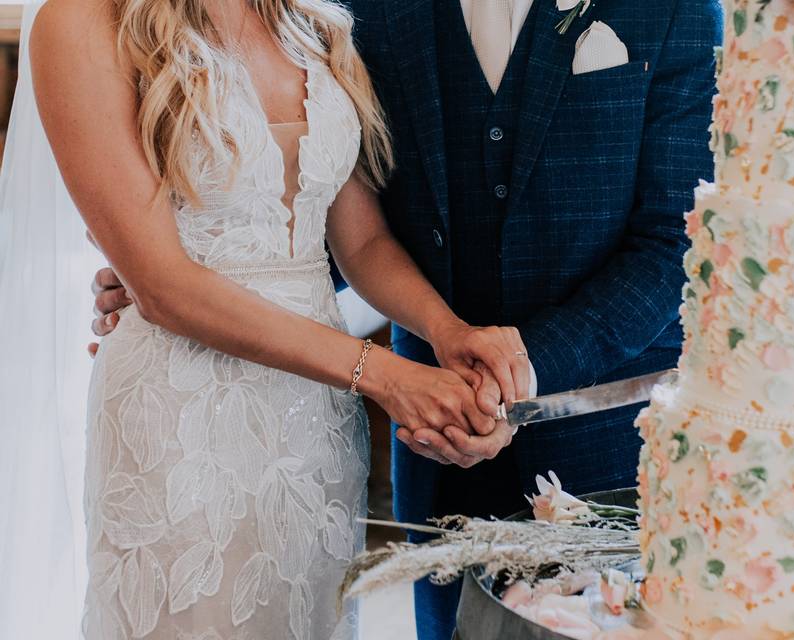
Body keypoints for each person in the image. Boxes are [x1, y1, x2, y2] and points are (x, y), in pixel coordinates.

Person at [94, 0, 722, 637]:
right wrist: (186, 273)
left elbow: (679, 242)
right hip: (427, 446)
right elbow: (330, 206)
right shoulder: (352, 9)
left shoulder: (675, 8)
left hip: (605, 442)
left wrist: (522, 365)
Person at [31, 0, 524, 638]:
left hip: (315, 423)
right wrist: (385, 375)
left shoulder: (315, 27)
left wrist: (446, 330)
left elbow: (363, 243)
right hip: (180, 423)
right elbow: (162, 286)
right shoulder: (81, 23)